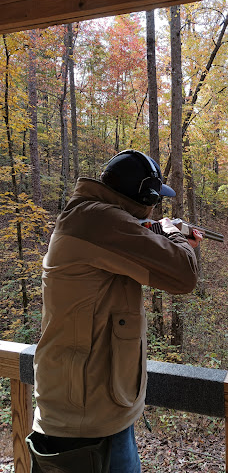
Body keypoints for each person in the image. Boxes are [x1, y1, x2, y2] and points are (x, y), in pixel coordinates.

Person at [27, 149, 203, 472]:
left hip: (87, 415)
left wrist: (154, 229)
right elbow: (184, 274)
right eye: (154, 199)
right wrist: (174, 233)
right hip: (88, 428)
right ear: (143, 199)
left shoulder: (88, 216)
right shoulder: (99, 221)